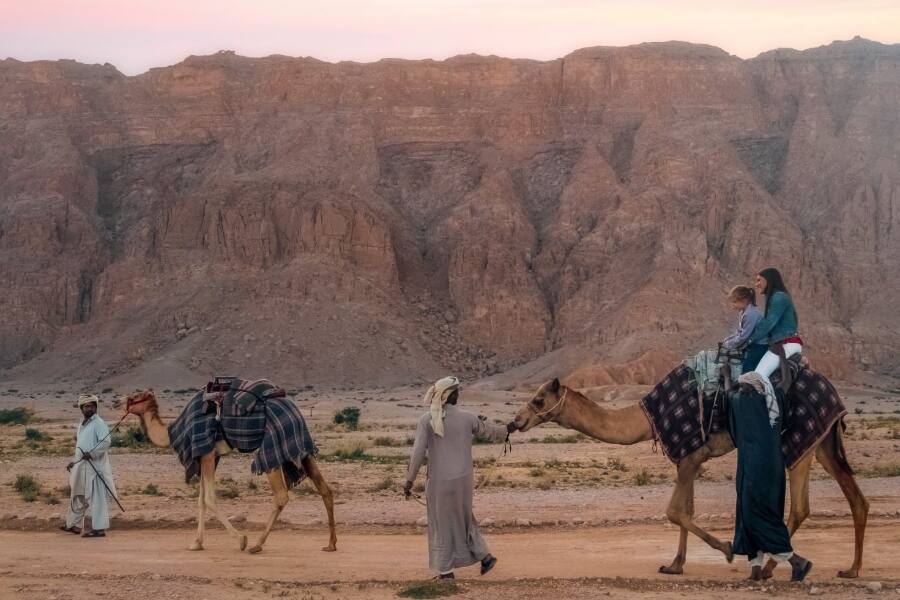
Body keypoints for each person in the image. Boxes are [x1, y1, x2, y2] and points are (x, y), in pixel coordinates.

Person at [404, 376, 517, 579]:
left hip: (440, 483)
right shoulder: (467, 418)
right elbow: (490, 431)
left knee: (442, 524)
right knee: (465, 518)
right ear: (449, 395)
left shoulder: (426, 420)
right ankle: (485, 556)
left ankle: (446, 572)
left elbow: (418, 452)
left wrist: (409, 480)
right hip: (464, 480)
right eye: (456, 392)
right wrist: (508, 429)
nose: (458, 395)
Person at [60, 394, 118, 538]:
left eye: (92, 406)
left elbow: (105, 442)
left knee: (97, 498)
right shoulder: (82, 424)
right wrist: (74, 462)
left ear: (96, 407)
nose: (89, 409)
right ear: (82, 408)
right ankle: (73, 525)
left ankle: (99, 529)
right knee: (78, 496)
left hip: (95, 467)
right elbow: (80, 446)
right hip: (81, 466)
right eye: (86, 406)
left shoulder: (99, 423)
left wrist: (92, 453)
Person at [719, 286, 764, 386]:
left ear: (744, 300)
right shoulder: (743, 312)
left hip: (759, 344)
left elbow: (744, 337)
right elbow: (740, 332)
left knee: (747, 369)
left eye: (734, 302)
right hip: (750, 342)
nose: (732, 305)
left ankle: (747, 387)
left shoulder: (751, 314)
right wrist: (728, 340)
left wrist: (728, 345)